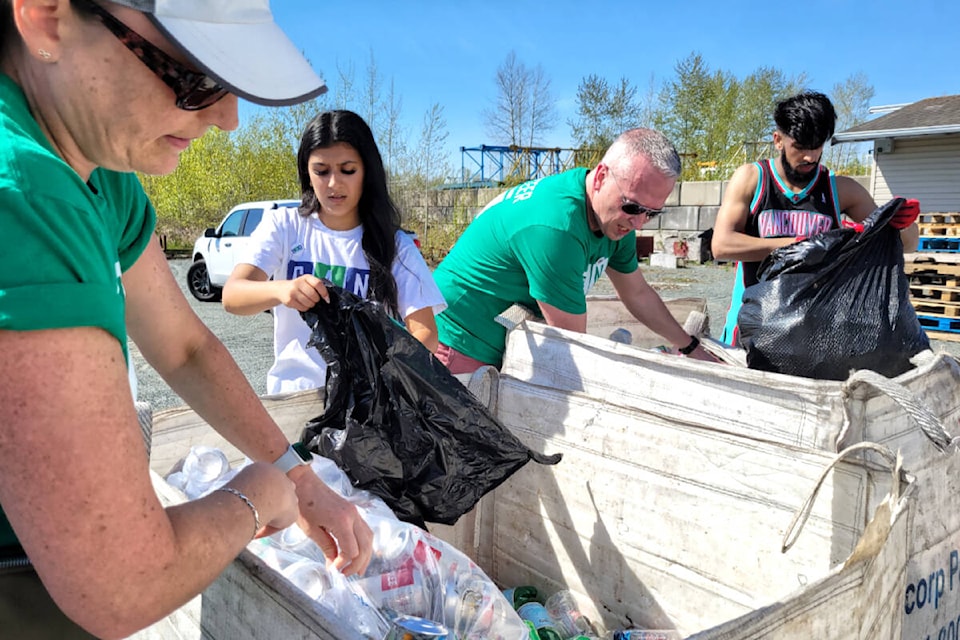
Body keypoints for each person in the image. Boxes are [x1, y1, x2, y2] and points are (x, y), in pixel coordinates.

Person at [0, 1, 372, 638]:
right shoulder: (25, 193)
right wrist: (255, 497)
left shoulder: (95, 167)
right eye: (196, 78)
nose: (228, 119)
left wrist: (299, 479)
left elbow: (184, 347)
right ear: (45, 17)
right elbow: (121, 583)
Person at [432, 128, 718, 374]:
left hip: (498, 331)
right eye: (633, 207)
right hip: (459, 338)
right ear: (601, 177)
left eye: (651, 213)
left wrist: (690, 347)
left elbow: (637, 294)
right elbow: (571, 345)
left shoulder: (617, 220)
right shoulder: (557, 228)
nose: (639, 222)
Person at [222, 110, 446, 395]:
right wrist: (283, 290)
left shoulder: (395, 245)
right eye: (321, 171)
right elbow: (233, 296)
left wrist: (385, 378)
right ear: (307, 172)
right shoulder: (284, 226)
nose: (333, 184)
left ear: (367, 171)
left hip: (368, 402)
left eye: (347, 170)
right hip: (295, 398)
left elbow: (425, 334)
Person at [712, 90, 921, 346]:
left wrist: (901, 224)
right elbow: (721, 246)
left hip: (812, 333)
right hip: (752, 325)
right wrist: (800, 245)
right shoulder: (752, 179)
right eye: (799, 147)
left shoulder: (841, 190)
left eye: (817, 146)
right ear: (778, 140)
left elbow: (909, 245)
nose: (810, 157)